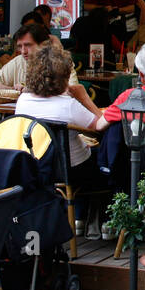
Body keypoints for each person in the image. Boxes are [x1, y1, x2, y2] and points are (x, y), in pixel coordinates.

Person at [16, 47, 110, 202]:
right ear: (64, 77)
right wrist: (84, 97)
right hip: (69, 170)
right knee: (105, 162)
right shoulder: (69, 105)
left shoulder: (22, 101)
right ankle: (88, 218)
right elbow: (101, 126)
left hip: (35, 166)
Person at [0, 24, 101, 117]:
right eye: (19, 46)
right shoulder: (18, 61)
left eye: (28, 45)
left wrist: (27, 91)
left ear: (44, 45)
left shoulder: (60, 62)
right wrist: (14, 90)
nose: (23, 51)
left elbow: (71, 91)